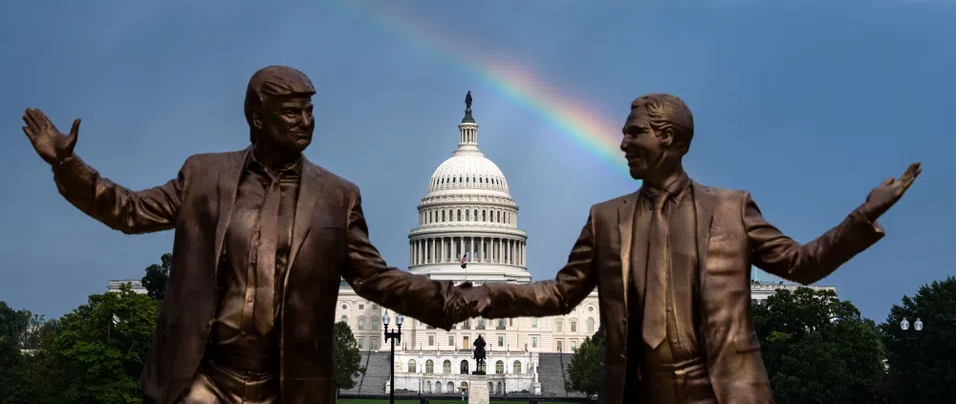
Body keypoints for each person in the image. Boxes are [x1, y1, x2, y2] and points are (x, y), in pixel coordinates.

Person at [22, 66, 475, 404]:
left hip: (284, 387)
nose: (306, 121)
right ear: (258, 118)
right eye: (292, 112)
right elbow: (130, 210)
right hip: (202, 381)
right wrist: (67, 165)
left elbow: (382, 283)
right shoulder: (203, 175)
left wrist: (525, 297)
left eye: (309, 111)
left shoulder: (338, 197)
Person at [457, 93, 920, 404]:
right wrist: (485, 293)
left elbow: (801, 264)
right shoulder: (605, 218)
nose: (622, 143)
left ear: (670, 139)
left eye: (634, 132)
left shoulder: (731, 209)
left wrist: (862, 218)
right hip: (637, 391)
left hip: (720, 392)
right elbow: (560, 294)